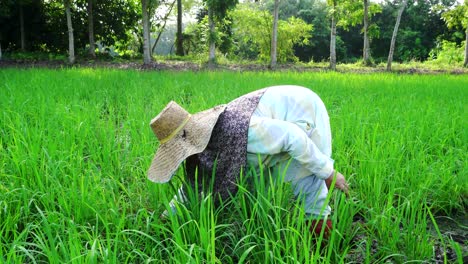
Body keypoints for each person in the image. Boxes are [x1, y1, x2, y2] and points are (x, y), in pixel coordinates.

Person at [147, 85, 349, 237]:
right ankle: (263, 222)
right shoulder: (199, 150)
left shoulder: (242, 130)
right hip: (273, 121)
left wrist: (328, 172)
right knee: (259, 179)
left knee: (306, 178)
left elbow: (292, 136)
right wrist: (167, 218)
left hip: (302, 110)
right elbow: (194, 184)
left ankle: (323, 244)